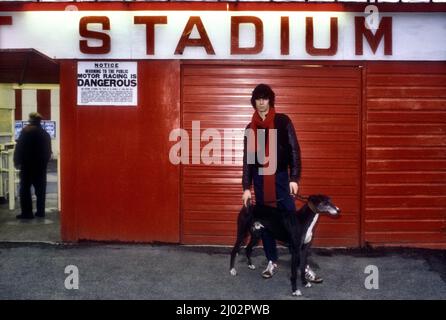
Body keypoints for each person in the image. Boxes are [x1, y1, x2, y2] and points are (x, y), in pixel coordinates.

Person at [242, 84, 322, 283]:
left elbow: (295, 150)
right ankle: (271, 260)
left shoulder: (282, 121)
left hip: (280, 179)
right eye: (258, 99)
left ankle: (303, 266)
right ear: (254, 102)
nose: (261, 102)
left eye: (265, 98)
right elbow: (248, 161)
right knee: (266, 224)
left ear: (270, 100)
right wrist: (246, 187)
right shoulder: (250, 128)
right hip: (260, 181)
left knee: (292, 225)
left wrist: (294, 177)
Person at [14, 112, 52, 219]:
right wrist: (44, 162)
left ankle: (27, 213)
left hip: (27, 166)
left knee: (25, 189)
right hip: (40, 167)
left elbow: (19, 148)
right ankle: (40, 212)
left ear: (31, 121)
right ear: (40, 121)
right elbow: (48, 152)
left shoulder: (25, 132)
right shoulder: (45, 134)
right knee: (41, 189)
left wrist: (17, 161)